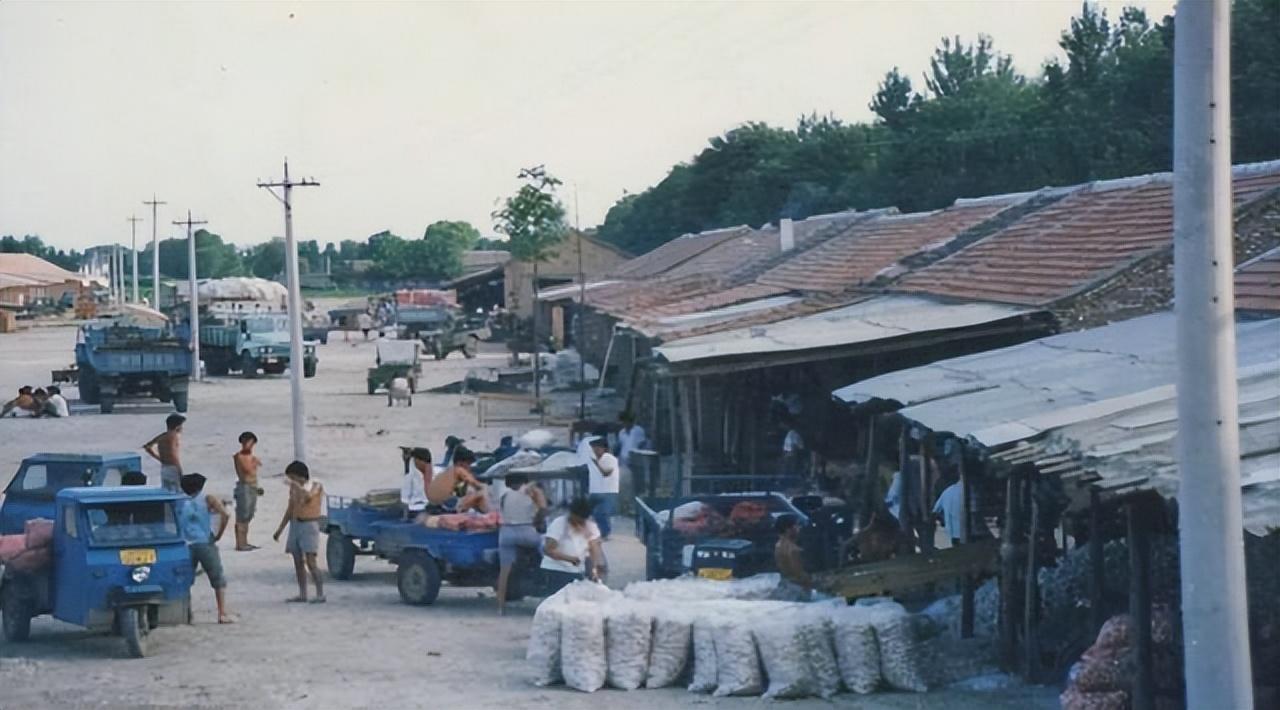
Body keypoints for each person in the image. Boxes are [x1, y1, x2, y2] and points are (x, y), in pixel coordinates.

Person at [178, 473, 234, 624]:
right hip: (204, 541)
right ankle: (222, 613)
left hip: (184, 544)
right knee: (217, 577)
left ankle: (187, 614)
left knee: (185, 581)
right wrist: (218, 534)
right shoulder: (207, 499)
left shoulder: (179, 501)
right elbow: (225, 515)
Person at [495, 472, 547, 615]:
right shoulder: (532, 490)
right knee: (547, 551)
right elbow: (543, 508)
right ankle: (547, 579)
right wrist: (538, 520)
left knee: (504, 571)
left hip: (506, 532)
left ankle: (500, 607)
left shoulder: (504, 495)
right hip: (526, 530)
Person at [274, 461, 325, 603]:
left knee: (311, 561)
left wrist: (296, 486)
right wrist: (280, 529)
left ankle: (320, 593)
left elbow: (309, 497)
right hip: (296, 524)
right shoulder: (293, 489)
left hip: (309, 524)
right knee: (297, 561)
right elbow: (290, 508)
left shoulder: (315, 485)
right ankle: (303, 593)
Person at [540, 498, 604, 594]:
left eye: (581, 522)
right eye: (576, 521)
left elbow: (594, 548)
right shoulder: (559, 523)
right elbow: (548, 550)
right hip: (556, 570)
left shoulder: (591, 527)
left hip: (577, 572)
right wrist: (569, 559)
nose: (578, 525)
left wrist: (595, 568)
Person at [425, 446, 487, 512]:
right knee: (480, 494)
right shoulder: (459, 471)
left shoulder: (448, 471)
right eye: (468, 464)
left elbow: (458, 493)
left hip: (435, 505)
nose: (469, 467)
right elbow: (478, 486)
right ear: (460, 463)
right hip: (444, 507)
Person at [232, 432, 263, 551]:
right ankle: (240, 543)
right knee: (242, 515)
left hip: (252, 486)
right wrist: (254, 462)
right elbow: (247, 470)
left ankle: (244, 541)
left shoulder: (250, 456)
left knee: (249, 514)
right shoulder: (240, 456)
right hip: (244, 486)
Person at [583, 437, 619, 540]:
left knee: (601, 513)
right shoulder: (593, 459)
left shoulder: (609, 458)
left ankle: (605, 533)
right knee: (591, 513)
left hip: (608, 490)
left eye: (597, 448)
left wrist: (595, 463)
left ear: (604, 448)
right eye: (593, 448)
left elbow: (606, 473)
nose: (595, 450)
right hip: (595, 490)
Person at [773, 515, 813, 601]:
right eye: (797, 525)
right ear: (788, 529)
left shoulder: (778, 545)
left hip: (784, 587)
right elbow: (799, 575)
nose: (799, 528)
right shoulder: (793, 549)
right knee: (844, 602)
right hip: (797, 592)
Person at [142, 413, 185, 491]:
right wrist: (179, 469)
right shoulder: (173, 436)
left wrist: (159, 458)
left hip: (164, 467)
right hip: (173, 467)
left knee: (166, 491)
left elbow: (147, 447)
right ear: (177, 426)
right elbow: (173, 453)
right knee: (178, 491)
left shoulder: (163, 436)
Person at [932, 474, 967, 547]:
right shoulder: (968, 490)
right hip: (967, 531)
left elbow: (936, 510)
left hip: (951, 532)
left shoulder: (947, 491)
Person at [400, 447, 432, 520]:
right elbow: (404, 500)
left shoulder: (435, 472)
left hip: (431, 508)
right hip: (417, 510)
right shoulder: (411, 477)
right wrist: (405, 518)